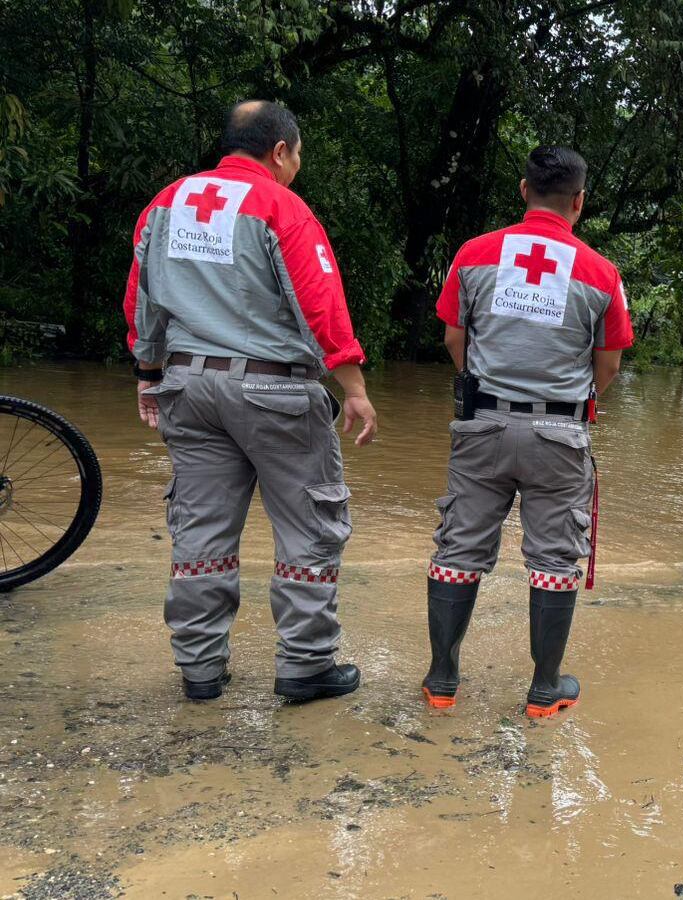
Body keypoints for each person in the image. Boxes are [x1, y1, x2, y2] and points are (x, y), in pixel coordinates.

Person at [124, 100, 378, 703]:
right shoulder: (279, 207)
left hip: (187, 387)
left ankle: (200, 670)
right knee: (310, 526)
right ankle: (305, 666)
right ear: (281, 150)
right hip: (276, 390)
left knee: (201, 526)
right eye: (298, 157)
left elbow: (142, 298)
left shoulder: (165, 204)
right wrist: (355, 388)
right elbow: (320, 302)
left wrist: (147, 370)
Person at [422, 146, 633, 718]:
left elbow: (452, 338)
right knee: (555, 556)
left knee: (459, 546)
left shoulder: (474, 255)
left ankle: (442, 683)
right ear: (579, 202)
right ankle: (544, 691)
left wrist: (480, 391)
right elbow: (608, 365)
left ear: (523, 191)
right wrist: (564, 407)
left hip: (482, 423)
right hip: (558, 434)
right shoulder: (599, 272)